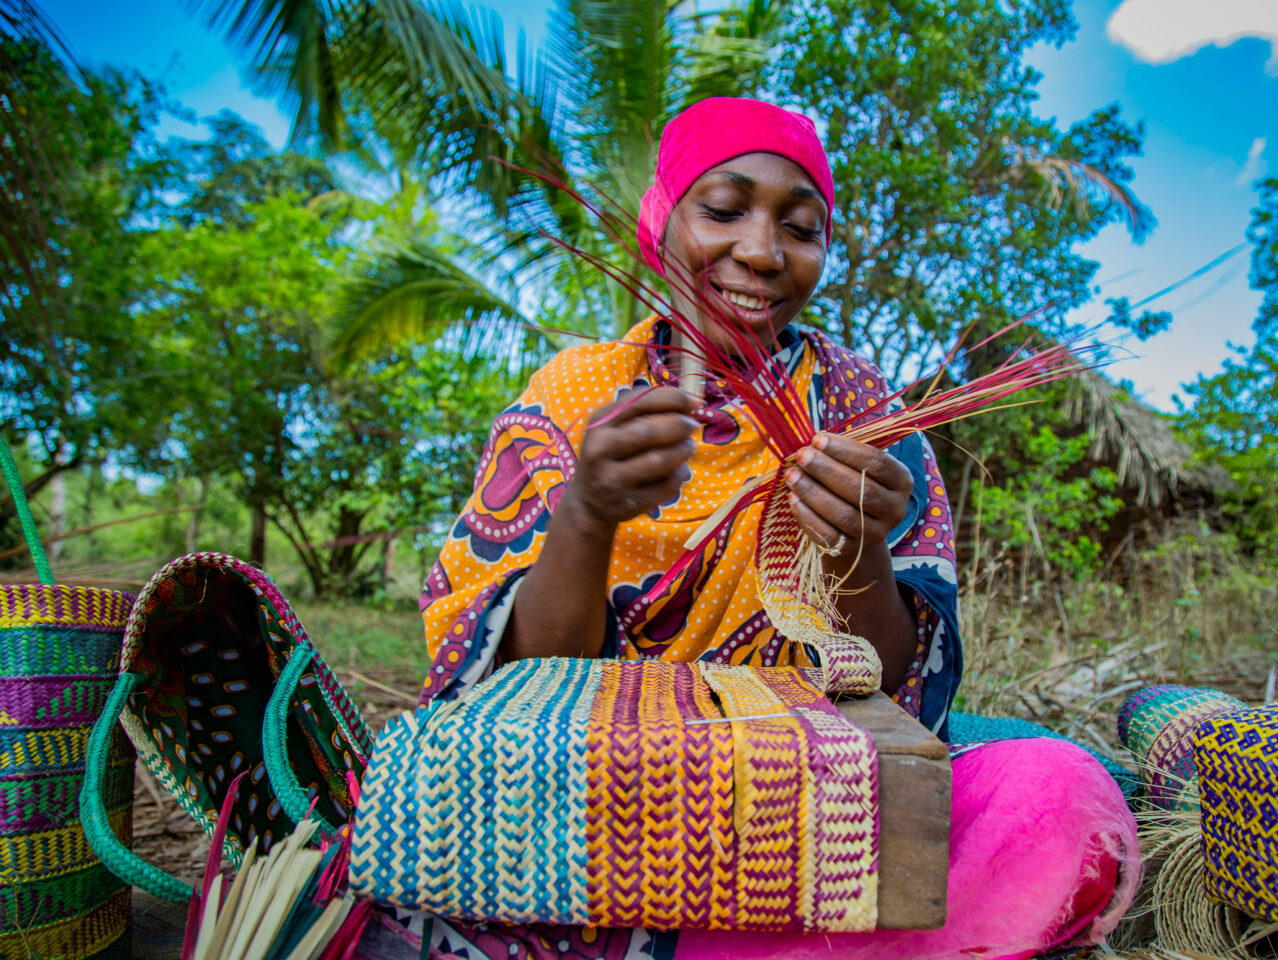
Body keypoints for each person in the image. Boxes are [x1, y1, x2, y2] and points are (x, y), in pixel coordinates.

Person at [396, 97, 1138, 960]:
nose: (760, 251)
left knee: (1055, 790)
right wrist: (587, 517)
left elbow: (897, 682)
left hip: (808, 807)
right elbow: (506, 685)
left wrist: (858, 553)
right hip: (602, 793)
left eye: (802, 227)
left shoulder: (861, 407)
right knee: (451, 854)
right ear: (658, 222)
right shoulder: (573, 394)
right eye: (723, 209)